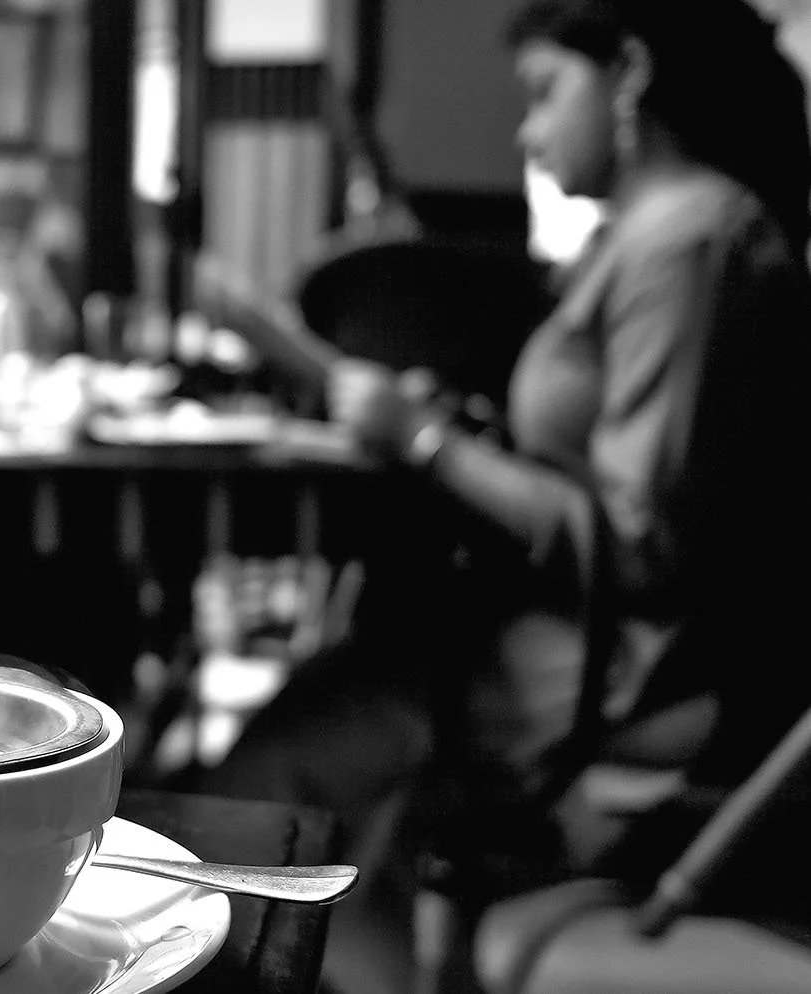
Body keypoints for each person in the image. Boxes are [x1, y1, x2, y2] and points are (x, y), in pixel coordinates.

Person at [200, 3, 811, 992]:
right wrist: (462, 427)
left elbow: (641, 543)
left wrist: (427, 440)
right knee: (314, 739)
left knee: (267, 776)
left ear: (629, 74)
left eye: (541, 92)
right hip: (573, 642)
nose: (524, 131)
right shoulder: (652, 237)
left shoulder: (689, 241)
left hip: (625, 676)